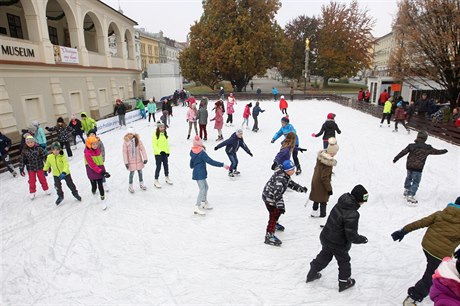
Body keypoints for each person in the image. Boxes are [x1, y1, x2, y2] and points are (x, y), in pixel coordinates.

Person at [391, 197, 460, 306]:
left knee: (437, 269)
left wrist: (403, 231)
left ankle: (440, 285)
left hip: (427, 246)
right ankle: (413, 297)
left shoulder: (441, 214)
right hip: (440, 254)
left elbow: (420, 222)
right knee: (430, 276)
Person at [306, 185, 369, 292]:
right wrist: (362, 239)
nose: (363, 203)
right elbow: (351, 236)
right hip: (338, 243)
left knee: (325, 255)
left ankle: (312, 272)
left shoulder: (341, 202)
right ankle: (344, 282)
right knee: (344, 261)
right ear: (358, 200)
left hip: (327, 236)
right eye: (363, 201)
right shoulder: (353, 214)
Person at [262, 160, 308, 246]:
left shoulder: (285, 175)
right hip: (270, 198)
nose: (294, 171)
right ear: (287, 170)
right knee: (274, 214)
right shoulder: (280, 179)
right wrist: (280, 206)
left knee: (277, 212)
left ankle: (274, 224)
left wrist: (300, 188)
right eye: (292, 170)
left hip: (270, 196)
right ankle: (269, 235)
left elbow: (290, 183)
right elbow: (277, 194)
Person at [393, 131, 448, 204]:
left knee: (409, 177)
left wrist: (396, 158)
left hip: (409, 166)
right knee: (416, 182)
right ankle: (410, 195)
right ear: (425, 139)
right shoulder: (428, 148)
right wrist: (444, 151)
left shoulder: (411, 145)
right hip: (418, 168)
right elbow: (436, 151)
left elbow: (403, 152)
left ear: (417, 137)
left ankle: (406, 190)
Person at [190, 135, 228, 215]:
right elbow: (211, 161)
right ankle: (197, 206)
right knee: (202, 189)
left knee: (206, 187)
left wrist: (194, 164)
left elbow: (191, 164)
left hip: (198, 173)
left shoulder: (192, 151)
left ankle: (204, 203)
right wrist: (222, 165)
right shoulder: (201, 152)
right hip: (200, 173)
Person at [309, 137, 339, 218]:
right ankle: (323, 215)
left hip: (316, 180)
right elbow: (324, 178)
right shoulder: (328, 163)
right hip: (322, 184)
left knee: (316, 197)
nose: (335, 154)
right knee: (323, 200)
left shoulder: (321, 157)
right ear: (332, 152)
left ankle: (314, 211)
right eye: (335, 152)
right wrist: (329, 189)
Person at [19, 135, 51, 199]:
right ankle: (32, 192)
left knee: (42, 179)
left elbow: (45, 157)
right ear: (26, 143)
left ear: (34, 142)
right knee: (32, 181)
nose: (30, 144)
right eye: (28, 143)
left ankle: (46, 189)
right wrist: (21, 169)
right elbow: (22, 160)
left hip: (40, 167)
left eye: (31, 142)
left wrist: (48, 166)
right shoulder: (24, 151)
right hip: (31, 168)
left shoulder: (39, 148)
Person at [84, 136, 110, 210]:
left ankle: (103, 201)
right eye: (94, 144)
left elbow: (101, 162)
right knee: (94, 186)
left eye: (96, 144)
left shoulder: (98, 150)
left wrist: (104, 172)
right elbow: (92, 165)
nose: (96, 145)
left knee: (100, 186)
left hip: (99, 171)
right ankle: (93, 192)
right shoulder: (87, 154)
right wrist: (101, 172)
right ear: (89, 145)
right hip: (92, 172)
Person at [123, 127, 148, 193]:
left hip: (138, 160)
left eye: (131, 134)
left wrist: (145, 158)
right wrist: (126, 162)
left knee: (140, 173)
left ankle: (141, 184)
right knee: (131, 174)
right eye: (128, 134)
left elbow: (142, 149)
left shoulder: (138, 141)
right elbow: (124, 153)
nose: (129, 135)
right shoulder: (126, 142)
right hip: (131, 162)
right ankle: (130, 186)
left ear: (133, 134)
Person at [152, 121, 172, 188]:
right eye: (161, 127)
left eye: (163, 127)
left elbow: (166, 144)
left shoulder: (164, 134)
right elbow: (154, 145)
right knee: (158, 166)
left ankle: (167, 177)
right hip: (158, 154)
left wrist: (168, 151)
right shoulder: (155, 134)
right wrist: (159, 151)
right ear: (158, 127)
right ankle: (156, 180)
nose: (162, 128)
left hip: (165, 153)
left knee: (166, 165)